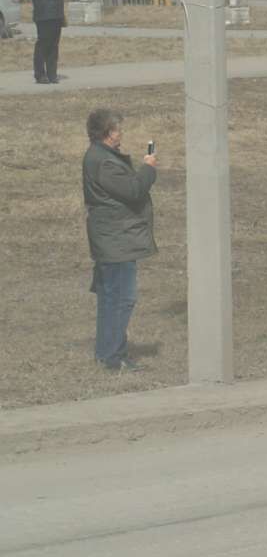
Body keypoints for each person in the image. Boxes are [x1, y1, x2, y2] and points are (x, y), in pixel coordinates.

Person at [82, 108, 158, 372]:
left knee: (109, 297)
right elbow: (134, 190)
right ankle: (113, 357)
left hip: (111, 237)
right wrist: (148, 169)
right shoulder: (104, 161)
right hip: (115, 240)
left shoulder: (100, 157)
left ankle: (108, 353)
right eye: (118, 129)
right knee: (120, 299)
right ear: (108, 133)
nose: (121, 133)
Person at [28, 0, 65, 85]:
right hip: (44, 17)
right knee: (43, 45)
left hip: (55, 16)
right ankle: (40, 74)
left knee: (53, 46)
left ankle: (52, 74)